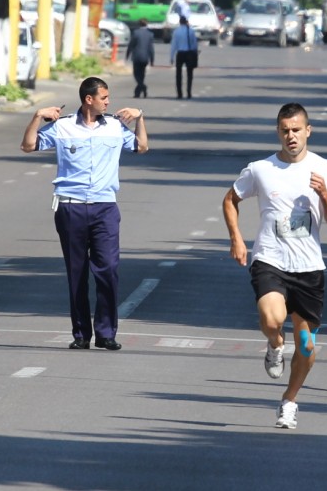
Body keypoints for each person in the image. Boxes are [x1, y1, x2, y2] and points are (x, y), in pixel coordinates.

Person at [222, 103, 327, 430]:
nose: (291, 136)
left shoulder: (323, 169)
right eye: (285, 130)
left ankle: (289, 400)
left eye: (296, 130)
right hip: (270, 260)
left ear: (308, 131)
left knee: (306, 345)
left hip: (309, 267)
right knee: (271, 318)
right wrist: (236, 238)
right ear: (278, 132)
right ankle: (275, 344)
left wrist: (324, 193)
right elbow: (230, 199)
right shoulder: (261, 169)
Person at [20, 77, 148, 352]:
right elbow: (29, 145)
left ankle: (106, 333)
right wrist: (37, 116)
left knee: (108, 270)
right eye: (104, 97)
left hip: (105, 208)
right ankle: (81, 334)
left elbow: (141, 146)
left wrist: (140, 118)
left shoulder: (114, 126)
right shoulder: (63, 126)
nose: (108, 102)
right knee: (76, 273)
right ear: (89, 99)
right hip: (71, 207)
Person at [170, 17, 198, 99]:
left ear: (180, 22)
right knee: (190, 74)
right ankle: (189, 91)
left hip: (180, 53)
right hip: (189, 53)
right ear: (186, 22)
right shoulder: (191, 31)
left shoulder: (176, 31)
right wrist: (195, 53)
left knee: (178, 74)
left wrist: (171, 56)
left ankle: (179, 93)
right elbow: (194, 44)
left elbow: (173, 45)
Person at [126, 19, 155, 98]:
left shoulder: (136, 33)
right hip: (145, 57)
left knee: (136, 74)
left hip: (137, 57)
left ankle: (142, 87)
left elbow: (131, 45)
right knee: (142, 75)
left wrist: (127, 54)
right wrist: (152, 60)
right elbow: (151, 48)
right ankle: (138, 92)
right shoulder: (150, 34)